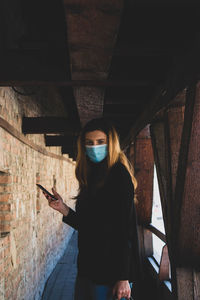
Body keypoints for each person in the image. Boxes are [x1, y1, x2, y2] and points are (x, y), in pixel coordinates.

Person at [42, 118, 140, 300]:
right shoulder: (92, 176)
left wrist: (123, 277)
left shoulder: (119, 175)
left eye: (100, 142)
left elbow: (124, 230)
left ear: (111, 144)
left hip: (110, 274)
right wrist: (63, 209)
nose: (95, 147)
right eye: (90, 143)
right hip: (89, 268)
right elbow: (90, 225)